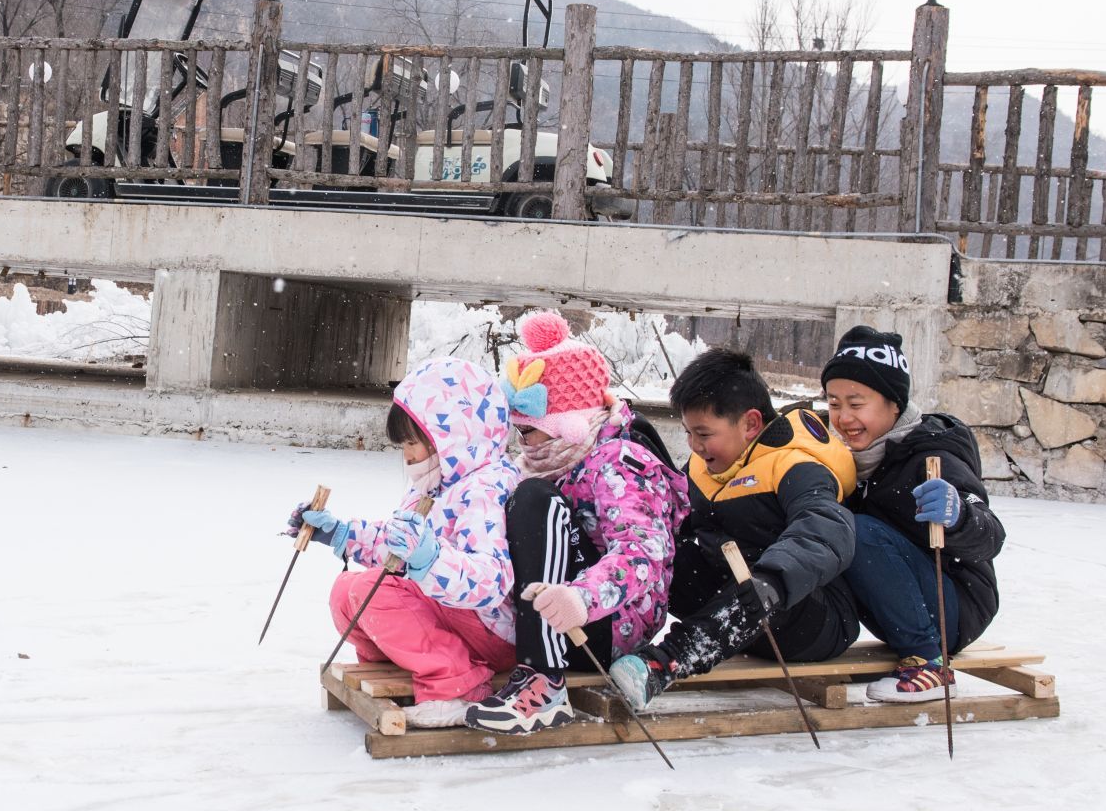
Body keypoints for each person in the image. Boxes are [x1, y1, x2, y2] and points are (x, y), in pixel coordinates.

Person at [463, 311, 691, 735]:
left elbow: (644, 552)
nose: (521, 441)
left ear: (567, 423)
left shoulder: (620, 464)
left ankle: (544, 682)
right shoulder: (544, 460)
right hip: (553, 609)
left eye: (529, 430)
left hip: (605, 622)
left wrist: (582, 598)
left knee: (534, 502)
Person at [609, 348, 859, 710]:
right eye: (688, 433)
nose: (695, 445)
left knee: (757, 583)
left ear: (750, 424)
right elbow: (669, 523)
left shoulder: (796, 466)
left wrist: (774, 582)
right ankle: (614, 636)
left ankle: (664, 663)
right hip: (735, 606)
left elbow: (826, 527)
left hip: (808, 618)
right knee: (661, 554)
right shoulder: (702, 467)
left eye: (704, 433)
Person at [290, 356, 518, 728]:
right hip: (455, 615)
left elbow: (492, 582)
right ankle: (403, 662)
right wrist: (342, 534)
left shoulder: (484, 489)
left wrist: (431, 560)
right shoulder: (432, 481)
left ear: (454, 436)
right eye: (402, 444)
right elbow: (397, 545)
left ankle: (456, 686)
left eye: (412, 442)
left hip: (492, 628)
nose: (406, 454)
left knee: (372, 590)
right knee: (345, 590)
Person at [822, 326, 1005, 702]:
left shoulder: (932, 455)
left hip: (952, 605)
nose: (843, 417)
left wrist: (959, 516)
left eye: (857, 405)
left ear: (894, 405)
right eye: (834, 403)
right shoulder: (836, 456)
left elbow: (991, 536)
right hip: (896, 600)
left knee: (856, 531)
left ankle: (929, 662)